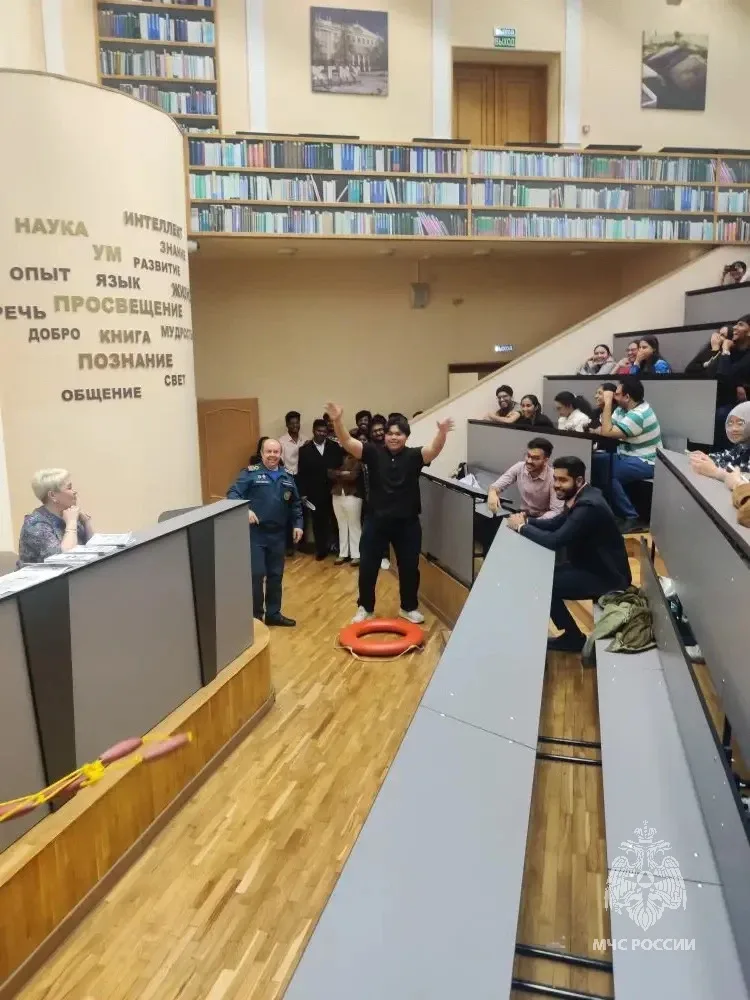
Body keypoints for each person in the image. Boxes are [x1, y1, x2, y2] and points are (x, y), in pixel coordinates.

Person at [325, 403, 454, 624]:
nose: (394, 437)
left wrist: (442, 433)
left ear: (406, 437)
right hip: (376, 521)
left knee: (409, 568)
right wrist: (337, 421)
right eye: (390, 433)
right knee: (368, 566)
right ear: (385, 436)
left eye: (399, 434)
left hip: (407, 523)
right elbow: (347, 441)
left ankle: (408, 607)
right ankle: (365, 607)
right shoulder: (372, 452)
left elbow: (434, 449)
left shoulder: (414, 455)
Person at [506, 456, 631, 653]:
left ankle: (573, 638)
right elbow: (555, 523)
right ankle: (569, 636)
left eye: (563, 480)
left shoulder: (588, 506)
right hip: (591, 566)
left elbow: (555, 540)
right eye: (555, 479)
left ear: (579, 480)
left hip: (607, 578)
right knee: (539, 577)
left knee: (542, 584)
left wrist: (521, 528)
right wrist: (526, 521)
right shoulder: (584, 495)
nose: (557, 485)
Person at [227, 438, 303, 627]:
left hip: (278, 535)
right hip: (256, 534)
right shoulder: (250, 474)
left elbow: (295, 503)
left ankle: (273, 614)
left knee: (276, 575)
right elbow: (233, 494)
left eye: (276, 452)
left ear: (280, 454)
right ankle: (255, 617)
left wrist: (298, 524)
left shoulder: (287, 477)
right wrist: (245, 510)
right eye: (268, 451)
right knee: (257, 574)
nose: (272, 455)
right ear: (261, 453)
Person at [592, 376, 663, 533]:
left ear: (627, 397)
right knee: (592, 461)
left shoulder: (638, 415)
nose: (613, 396)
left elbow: (606, 431)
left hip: (646, 461)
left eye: (617, 394)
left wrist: (608, 402)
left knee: (610, 473)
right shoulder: (623, 409)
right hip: (626, 456)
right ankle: (606, 511)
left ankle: (631, 517)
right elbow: (606, 428)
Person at [18, 469, 94, 565]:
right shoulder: (36, 525)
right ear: (53, 495)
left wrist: (86, 522)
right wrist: (71, 524)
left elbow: (92, 549)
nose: (74, 492)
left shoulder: (69, 514)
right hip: (44, 574)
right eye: (69, 488)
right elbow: (63, 560)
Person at [298, 418, 343, 560]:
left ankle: (339, 549)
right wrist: (303, 492)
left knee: (336, 520)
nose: (322, 433)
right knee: (318, 522)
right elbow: (302, 473)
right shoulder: (304, 450)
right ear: (313, 431)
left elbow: (340, 467)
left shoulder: (335, 447)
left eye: (324, 431)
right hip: (314, 491)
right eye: (319, 431)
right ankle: (321, 550)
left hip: (334, 490)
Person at [487, 438, 564, 520]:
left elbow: (556, 511)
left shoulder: (554, 477)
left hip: (543, 519)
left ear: (545, 460)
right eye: (528, 456)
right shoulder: (519, 467)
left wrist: (529, 522)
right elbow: (496, 486)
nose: (529, 461)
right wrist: (492, 492)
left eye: (535, 458)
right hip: (523, 514)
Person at [689, 402, 750, 489]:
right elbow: (725, 458)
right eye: (730, 423)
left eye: (740, 423)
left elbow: (745, 483)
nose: (733, 429)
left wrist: (715, 472)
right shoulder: (742, 445)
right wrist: (704, 458)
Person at [329, 440, 364, 565]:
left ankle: (356, 554)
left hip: (352, 495)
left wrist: (339, 474)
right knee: (341, 525)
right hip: (337, 494)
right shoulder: (336, 457)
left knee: (354, 525)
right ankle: (343, 553)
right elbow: (329, 473)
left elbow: (353, 476)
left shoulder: (359, 458)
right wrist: (344, 473)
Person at [279, 412, 307, 555]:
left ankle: (302, 544)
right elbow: (280, 462)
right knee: (288, 511)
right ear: (287, 425)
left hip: (303, 478)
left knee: (303, 511)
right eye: (292, 423)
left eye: (297, 422)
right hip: (288, 477)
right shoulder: (281, 441)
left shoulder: (305, 440)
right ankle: (289, 545)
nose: (295, 425)